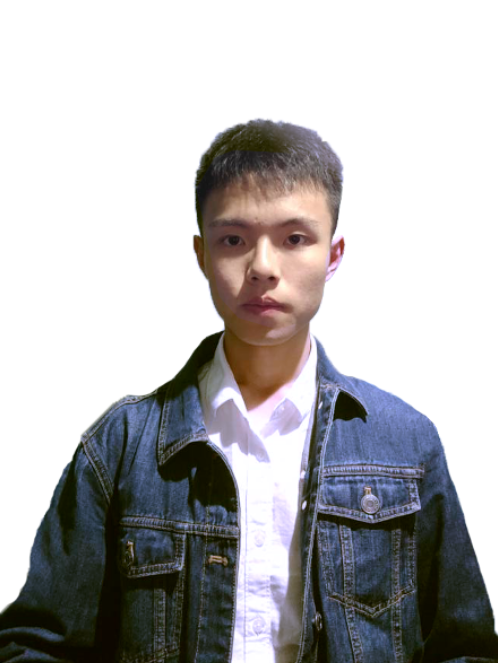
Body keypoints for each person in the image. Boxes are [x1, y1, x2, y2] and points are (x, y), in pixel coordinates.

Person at [0, 119, 497, 663]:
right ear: (201, 254)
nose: (262, 267)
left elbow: (464, 650)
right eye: (234, 240)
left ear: (333, 255)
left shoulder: (405, 443)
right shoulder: (120, 446)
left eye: (294, 239)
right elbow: (35, 647)